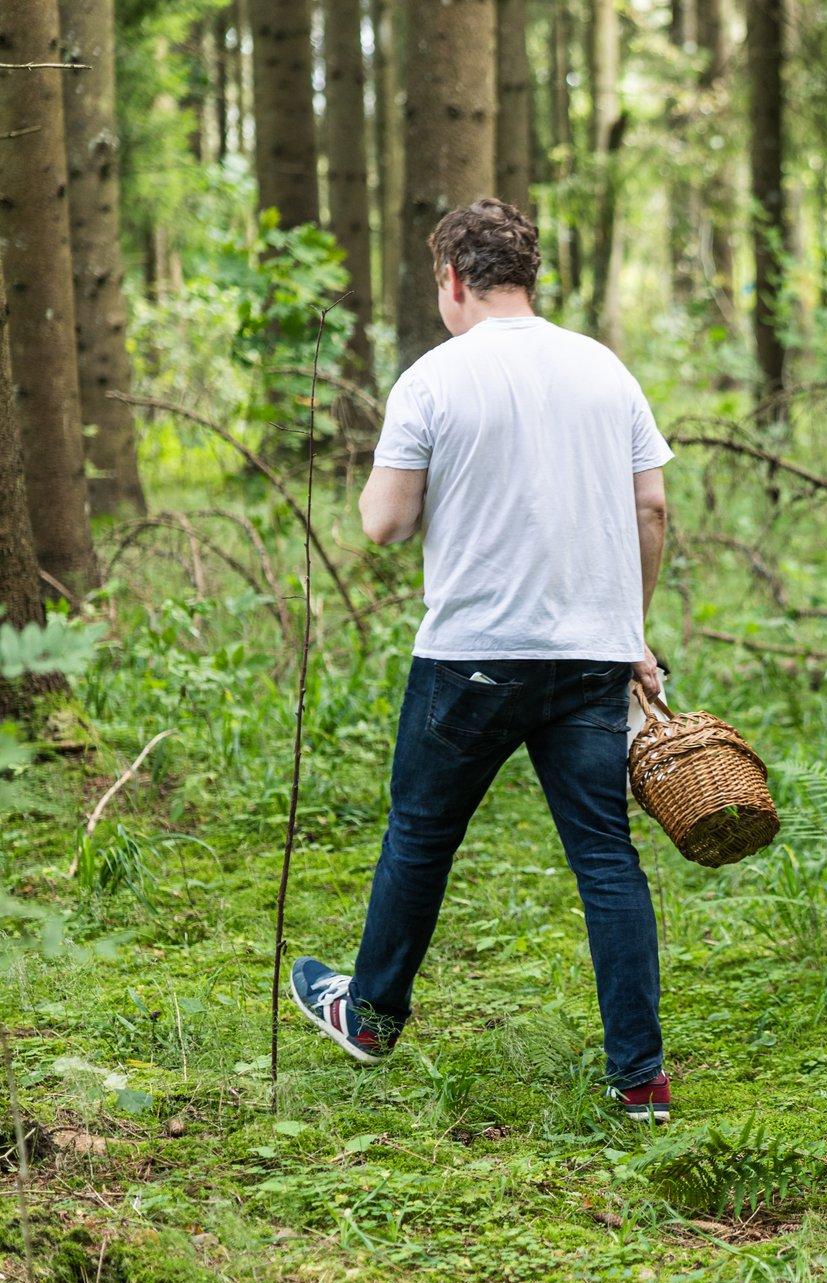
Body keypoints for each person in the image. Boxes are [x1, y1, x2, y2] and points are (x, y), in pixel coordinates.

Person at [288, 198, 675, 1122]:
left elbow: (384, 524)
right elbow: (652, 508)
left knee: (421, 835)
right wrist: (631, 631)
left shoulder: (432, 379)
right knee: (606, 858)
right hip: (591, 654)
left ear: (453, 280)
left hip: (471, 658)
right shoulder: (605, 369)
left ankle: (369, 1016)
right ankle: (640, 1077)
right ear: (529, 277)